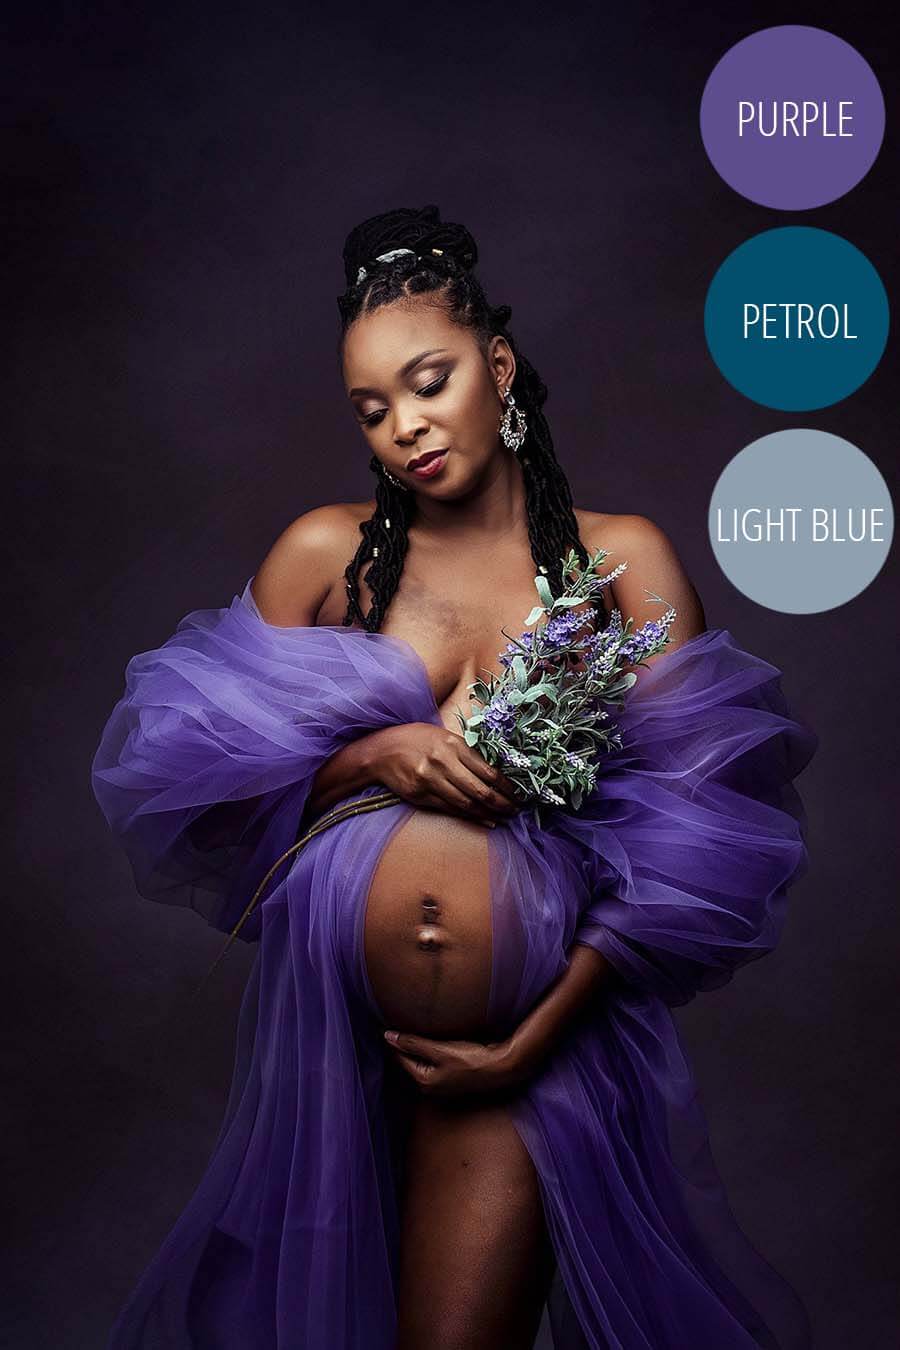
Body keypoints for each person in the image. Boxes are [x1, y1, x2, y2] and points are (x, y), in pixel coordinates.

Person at [92, 205, 817, 1349]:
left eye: (428, 384)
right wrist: (368, 755)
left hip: (521, 1058)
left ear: (499, 364)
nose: (405, 428)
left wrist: (536, 1035)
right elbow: (193, 786)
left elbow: (702, 844)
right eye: (373, 409)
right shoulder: (325, 556)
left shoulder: (621, 561)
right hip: (328, 1049)